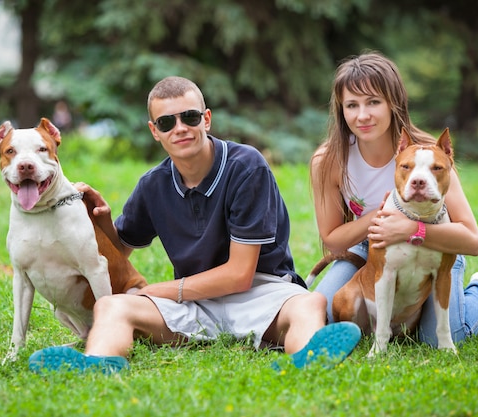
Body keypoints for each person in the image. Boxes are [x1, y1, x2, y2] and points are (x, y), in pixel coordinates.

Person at [28, 76, 361, 373]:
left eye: (189, 117)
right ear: (154, 131)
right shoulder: (154, 184)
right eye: (166, 122)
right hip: (196, 304)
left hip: (260, 292)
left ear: (207, 119)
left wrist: (161, 290)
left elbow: (239, 274)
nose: (180, 128)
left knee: (308, 303)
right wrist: (99, 221)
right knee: (112, 305)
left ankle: (305, 360)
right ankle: (97, 363)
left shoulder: (246, 167)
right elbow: (121, 251)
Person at [310, 51, 478, 347]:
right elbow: (333, 239)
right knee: (320, 315)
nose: (362, 115)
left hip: (435, 243)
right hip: (370, 247)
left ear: (393, 103)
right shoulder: (329, 159)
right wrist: (381, 219)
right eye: (352, 105)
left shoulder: (427, 156)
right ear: (341, 109)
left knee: (442, 336)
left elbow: (471, 239)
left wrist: (413, 230)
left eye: (373, 102)